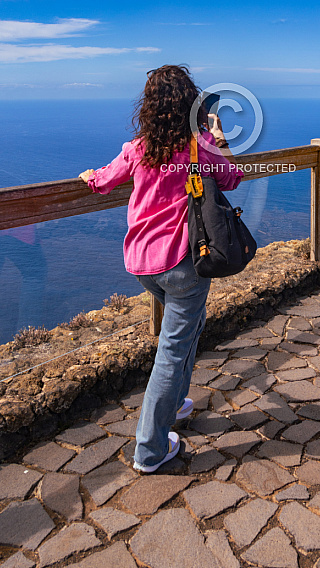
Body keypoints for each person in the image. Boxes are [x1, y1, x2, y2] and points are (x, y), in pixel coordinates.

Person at [79, 65, 242, 472]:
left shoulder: (138, 148)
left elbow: (104, 180)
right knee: (171, 351)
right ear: (191, 104)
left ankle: (177, 403)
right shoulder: (199, 147)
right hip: (184, 264)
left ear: (150, 108)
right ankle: (150, 450)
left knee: (190, 326)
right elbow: (234, 178)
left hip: (142, 264)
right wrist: (217, 136)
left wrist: (89, 177)